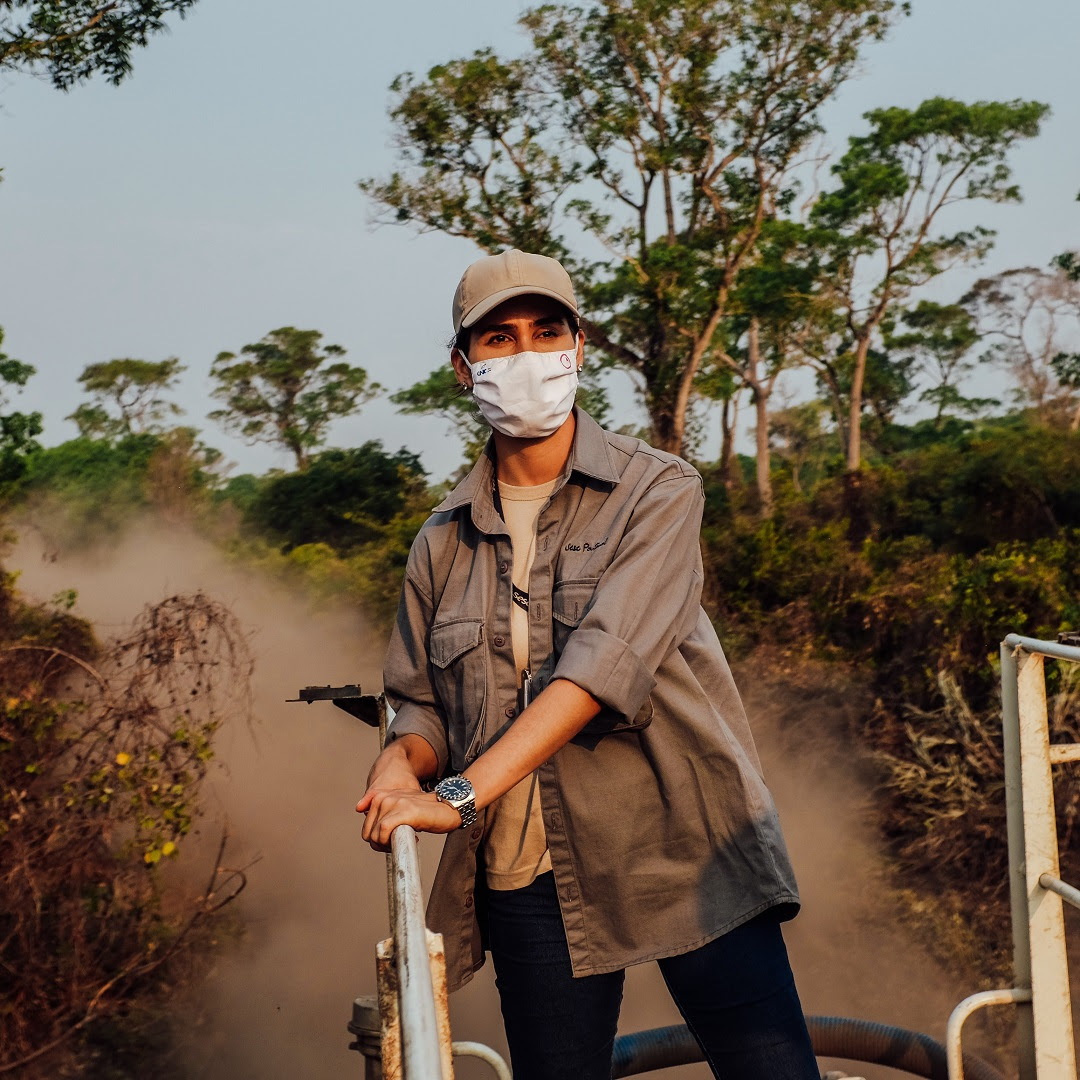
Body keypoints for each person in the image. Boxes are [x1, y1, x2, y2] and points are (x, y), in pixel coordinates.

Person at [356, 249, 819, 1080]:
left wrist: (453, 797)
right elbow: (421, 703)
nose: (525, 356)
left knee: (772, 1071)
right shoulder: (440, 539)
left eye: (546, 331)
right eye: (497, 339)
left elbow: (600, 672)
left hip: (685, 844)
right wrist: (399, 766)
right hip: (527, 871)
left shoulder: (658, 490)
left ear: (579, 346)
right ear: (463, 368)